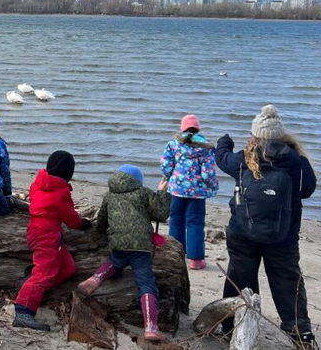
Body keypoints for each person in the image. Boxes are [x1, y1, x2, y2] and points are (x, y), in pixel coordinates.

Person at [215, 105, 317, 348]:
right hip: (284, 235)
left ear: (255, 135)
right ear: (282, 136)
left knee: (240, 277)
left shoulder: (244, 159)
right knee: (287, 281)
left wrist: (223, 142)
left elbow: (222, 159)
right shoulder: (297, 162)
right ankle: (300, 333)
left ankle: (231, 326)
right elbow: (307, 190)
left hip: (242, 231)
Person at [78, 165, 171, 342]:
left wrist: (101, 233)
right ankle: (151, 326)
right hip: (140, 246)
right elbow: (160, 214)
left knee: (115, 261)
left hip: (118, 243)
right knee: (146, 283)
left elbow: (102, 221)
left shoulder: (109, 195)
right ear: (138, 180)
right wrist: (162, 192)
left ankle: (96, 278)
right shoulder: (143, 193)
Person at [13, 151, 92, 331]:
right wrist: (83, 224)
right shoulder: (61, 191)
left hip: (37, 229)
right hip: (47, 234)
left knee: (67, 268)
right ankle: (23, 310)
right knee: (43, 273)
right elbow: (70, 218)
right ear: (68, 173)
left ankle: (29, 287)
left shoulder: (38, 183)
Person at [160, 114, 218, 269]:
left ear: (183, 127)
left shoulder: (173, 144)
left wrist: (168, 177)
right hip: (197, 193)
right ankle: (196, 260)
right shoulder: (206, 147)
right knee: (195, 223)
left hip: (177, 189)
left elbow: (166, 165)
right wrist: (212, 186)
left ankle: (174, 254)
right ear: (197, 128)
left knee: (176, 220)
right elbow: (208, 173)